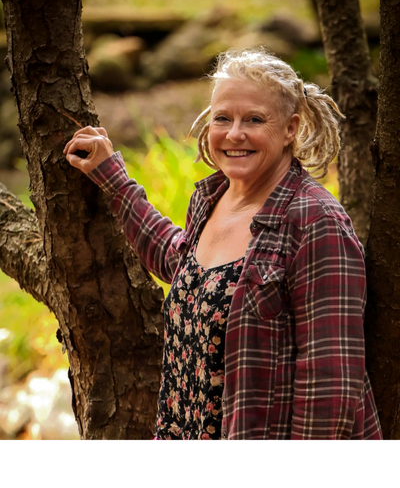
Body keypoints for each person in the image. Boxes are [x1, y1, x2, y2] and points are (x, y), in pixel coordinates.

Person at [64, 47, 383, 444]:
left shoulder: (316, 222)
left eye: (254, 119)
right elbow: (179, 262)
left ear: (291, 128)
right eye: (222, 118)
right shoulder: (214, 197)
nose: (234, 134)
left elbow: (331, 385)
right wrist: (113, 179)